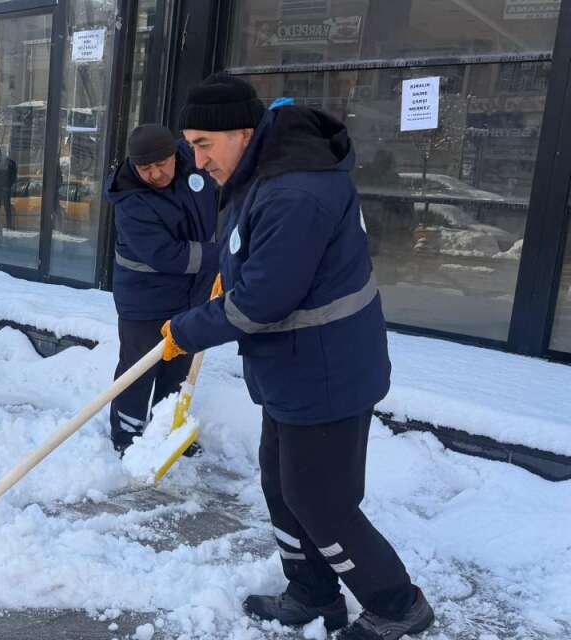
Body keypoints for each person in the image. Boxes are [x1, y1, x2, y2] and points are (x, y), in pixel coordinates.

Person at [162, 73, 434, 639]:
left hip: (326, 371)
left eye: (204, 143)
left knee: (320, 500)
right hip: (292, 366)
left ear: (242, 132)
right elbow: (256, 260)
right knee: (282, 487)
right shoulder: (262, 168)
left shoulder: (294, 190)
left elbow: (264, 300)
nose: (196, 158)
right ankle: (313, 593)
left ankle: (397, 603)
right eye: (190, 142)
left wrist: (187, 329)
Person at [104, 124, 218, 455]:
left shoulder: (193, 159)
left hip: (192, 292)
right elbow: (169, 255)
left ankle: (167, 427)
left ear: (174, 155)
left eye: (161, 164)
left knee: (178, 366)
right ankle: (127, 436)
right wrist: (222, 255)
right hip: (145, 299)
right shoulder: (131, 201)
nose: (155, 174)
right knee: (139, 368)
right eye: (145, 168)